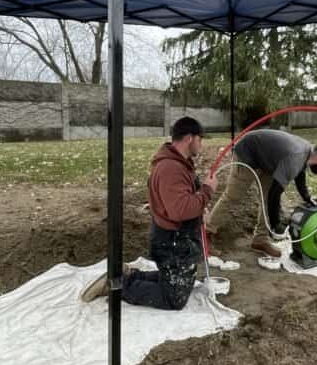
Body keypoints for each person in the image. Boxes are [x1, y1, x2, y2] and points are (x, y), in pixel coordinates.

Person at [81, 116, 218, 309]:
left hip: (177, 239)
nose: (201, 144)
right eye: (200, 139)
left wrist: (199, 209)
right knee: (174, 299)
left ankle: (130, 275)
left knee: (179, 280)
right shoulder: (171, 168)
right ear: (189, 138)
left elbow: (182, 200)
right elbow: (179, 210)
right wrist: (207, 191)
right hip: (172, 243)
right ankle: (118, 284)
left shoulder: (179, 163)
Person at [206, 129, 317, 258]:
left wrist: (308, 197)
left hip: (267, 159)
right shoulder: (296, 157)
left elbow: (300, 174)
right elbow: (275, 194)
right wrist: (276, 224)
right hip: (248, 152)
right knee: (233, 196)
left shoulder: (307, 153)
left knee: (267, 197)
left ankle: (260, 240)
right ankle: (206, 235)